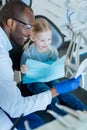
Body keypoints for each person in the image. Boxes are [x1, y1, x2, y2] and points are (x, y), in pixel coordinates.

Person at [0, 1, 81, 130]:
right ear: (11, 23)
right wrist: (55, 90)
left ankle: (83, 111)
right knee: (40, 116)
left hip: (45, 78)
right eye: (27, 26)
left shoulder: (51, 50)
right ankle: (67, 119)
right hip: (32, 83)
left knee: (66, 93)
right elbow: (15, 104)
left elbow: (7, 78)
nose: (30, 33)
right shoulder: (15, 54)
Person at [20, 18, 87, 115]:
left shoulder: (52, 50)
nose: (46, 43)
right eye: (42, 40)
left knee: (64, 92)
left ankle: (83, 109)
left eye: (49, 39)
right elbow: (24, 72)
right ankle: (61, 115)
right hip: (34, 81)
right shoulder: (28, 53)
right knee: (49, 94)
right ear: (33, 38)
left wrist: (63, 61)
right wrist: (24, 68)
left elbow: (55, 64)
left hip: (49, 77)